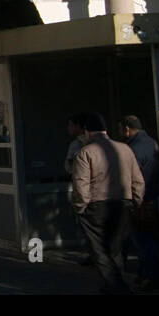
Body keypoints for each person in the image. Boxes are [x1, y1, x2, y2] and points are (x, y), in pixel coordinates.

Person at [72, 112, 144, 295]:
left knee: (100, 250)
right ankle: (114, 284)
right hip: (124, 204)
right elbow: (138, 180)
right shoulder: (125, 149)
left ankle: (117, 287)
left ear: (87, 132)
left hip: (97, 206)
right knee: (116, 249)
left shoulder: (85, 152)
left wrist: (81, 208)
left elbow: (81, 185)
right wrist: (136, 201)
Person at [121, 115, 159, 290]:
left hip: (140, 200)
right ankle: (145, 273)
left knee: (143, 240)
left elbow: (131, 176)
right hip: (151, 197)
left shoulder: (134, 148)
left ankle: (152, 276)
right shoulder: (152, 143)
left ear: (127, 129)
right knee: (149, 238)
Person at [64, 114, 96, 266]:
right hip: (91, 190)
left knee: (90, 226)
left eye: (71, 125)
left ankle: (96, 255)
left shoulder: (79, 145)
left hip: (87, 190)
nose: (68, 128)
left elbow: (70, 167)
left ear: (79, 126)